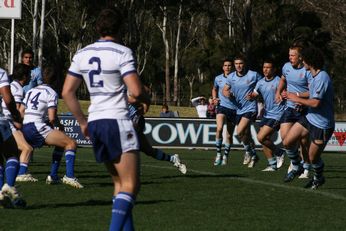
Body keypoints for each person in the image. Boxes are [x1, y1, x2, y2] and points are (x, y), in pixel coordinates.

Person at [62, 8, 151, 231]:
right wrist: (145, 96)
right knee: (131, 185)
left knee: (119, 184)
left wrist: (82, 122)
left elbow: (67, 92)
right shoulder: (122, 52)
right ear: (121, 28)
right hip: (117, 121)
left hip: (96, 122)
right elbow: (135, 90)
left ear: (98, 28)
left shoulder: (82, 53)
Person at [20, 67, 83, 189]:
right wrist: (58, 126)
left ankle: (52, 176)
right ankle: (69, 177)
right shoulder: (51, 93)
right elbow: (52, 117)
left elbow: (21, 112)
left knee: (60, 143)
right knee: (71, 143)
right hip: (36, 126)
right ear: (56, 80)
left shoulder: (30, 91)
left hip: (26, 126)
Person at [284, 47, 334, 189]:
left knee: (313, 158)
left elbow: (316, 102)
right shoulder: (312, 75)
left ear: (309, 61)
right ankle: (297, 167)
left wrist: (296, 99)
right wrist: (300, 99)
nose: (301, 61)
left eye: (303, 59)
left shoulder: (322, 77)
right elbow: (311, 96)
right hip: (310, 117)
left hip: (322, 125)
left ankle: (318, 178)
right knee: (287, 142)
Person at [275, 44, 312, 181]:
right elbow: (283, 79)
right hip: (289, 108)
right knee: (286, 141)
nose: (290, 57)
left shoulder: (308, 71)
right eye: (289, 55)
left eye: (292, 55)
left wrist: (297, 95)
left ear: (300, 57)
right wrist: (278, 92)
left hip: (304, 109)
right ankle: (297, 164)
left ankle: (306, 167)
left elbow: (311, 92)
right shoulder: (286, 67)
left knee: (303, 142)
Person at [128, 95, 187, 174]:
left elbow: (143, 90)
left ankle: (133, 169)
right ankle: (173, 159)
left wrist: (144, 105)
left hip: (134, 122)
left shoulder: (125, 87)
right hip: (125, 123)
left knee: (127, 145)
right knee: (149, 151)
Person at [223, 55, 262, 168]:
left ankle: (249, 152)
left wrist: (255, 94)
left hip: (250, 108)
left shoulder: (253, 75)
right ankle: (252, 154)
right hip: (238, 109)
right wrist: (228, 94)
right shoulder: (231, 77)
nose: (238, 66)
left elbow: (263, 84)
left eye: (240, 63)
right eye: (236, 64)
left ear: (244, 64)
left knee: (239, 131)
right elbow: (225, 89)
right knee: (246, 134)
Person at [247, 59, 285, 171]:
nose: (265, 70)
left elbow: (286, 94)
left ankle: (279, 152)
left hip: (278, 114)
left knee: (261, 137)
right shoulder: (260, 82)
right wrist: (251, 96)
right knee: (263, 139)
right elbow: (255, 93)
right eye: (264, 67)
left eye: (268, 67)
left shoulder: (279, 81)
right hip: (267, 114)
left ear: (274, 70)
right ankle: (272, 164)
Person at [1, 64, 36, 182]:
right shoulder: (18, 89)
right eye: (29, 76)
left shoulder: (13, 85)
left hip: (6, 120)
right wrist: (18, 120)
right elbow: (15, 106)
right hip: (8, 122)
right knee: (26, 149)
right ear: (24, 77)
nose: (31, 78)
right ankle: (20, 174)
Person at [0, 67, 26, 208]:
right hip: (1, 122)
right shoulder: (1, 72)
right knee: (12, 154)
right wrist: (15, 114)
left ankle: (2, 196)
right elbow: (8, 99)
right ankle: (9, 186)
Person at [211, 58, 237, 166]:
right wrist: (214, 98)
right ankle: (218, 154)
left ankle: (225, 156)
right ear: (223, 67)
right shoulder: (218, 78)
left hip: (233, 108)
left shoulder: (237, 79)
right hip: (221, 106)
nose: (227, 67)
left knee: (229, 135)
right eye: (225, 65)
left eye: (229, 65)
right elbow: (214, 89)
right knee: (219, 128)